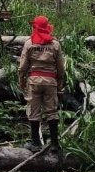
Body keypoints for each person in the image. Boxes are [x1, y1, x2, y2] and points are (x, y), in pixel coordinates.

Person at [18, 15, 65, 152]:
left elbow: (22, 67)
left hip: (34, 81)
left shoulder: (29, 43)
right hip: (51, 81)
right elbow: (60, 67)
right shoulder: (55, 44)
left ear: (35, 27)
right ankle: (55, 144)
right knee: (52, 111)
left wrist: (21, 80)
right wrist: (60, 82)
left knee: (33, 111)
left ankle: (36, 143)